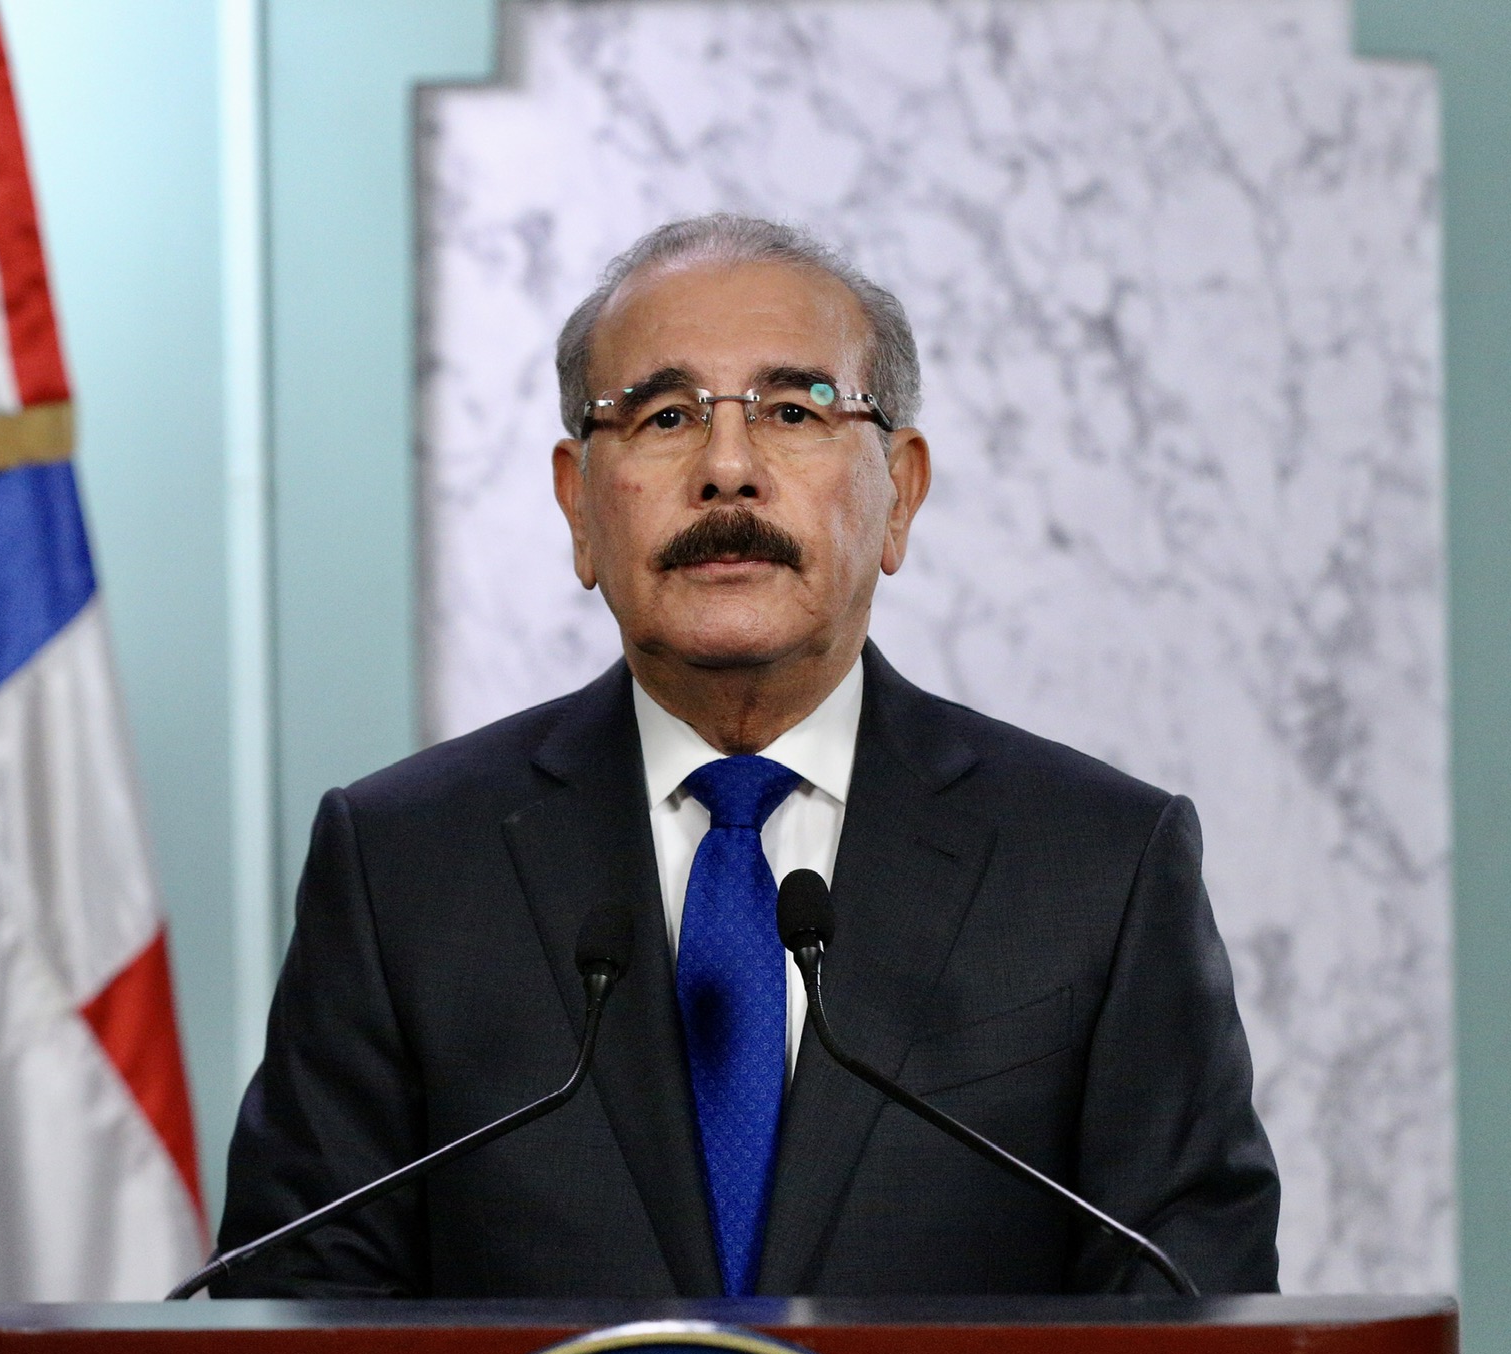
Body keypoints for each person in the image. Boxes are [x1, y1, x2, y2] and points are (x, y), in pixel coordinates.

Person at [216, 215, 1280, 1298]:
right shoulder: (403, 866)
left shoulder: (1097, 867)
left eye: (794, 410)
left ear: (899, 493)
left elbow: (1189, 1315)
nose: (728, 470)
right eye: (665, 416)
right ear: (578, 504)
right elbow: (299, 1314)